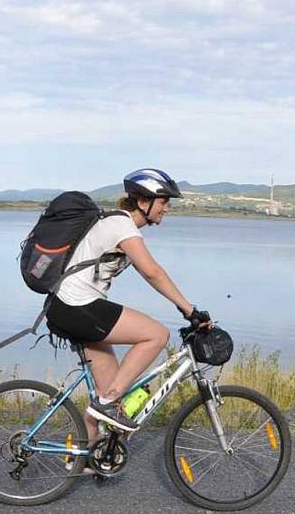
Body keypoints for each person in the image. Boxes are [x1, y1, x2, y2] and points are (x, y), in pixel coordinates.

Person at [45, 168, 211, 440]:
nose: (167, 209)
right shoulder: (121, 225)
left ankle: (87, 458)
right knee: (156, 335)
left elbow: (150, 274)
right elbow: (152, 272)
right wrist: (189, 310)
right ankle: (108, 405)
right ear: (144, 201)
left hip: (68, 307)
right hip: (77, 306)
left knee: (108, 390)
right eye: (164, 202)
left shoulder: (118, 225)